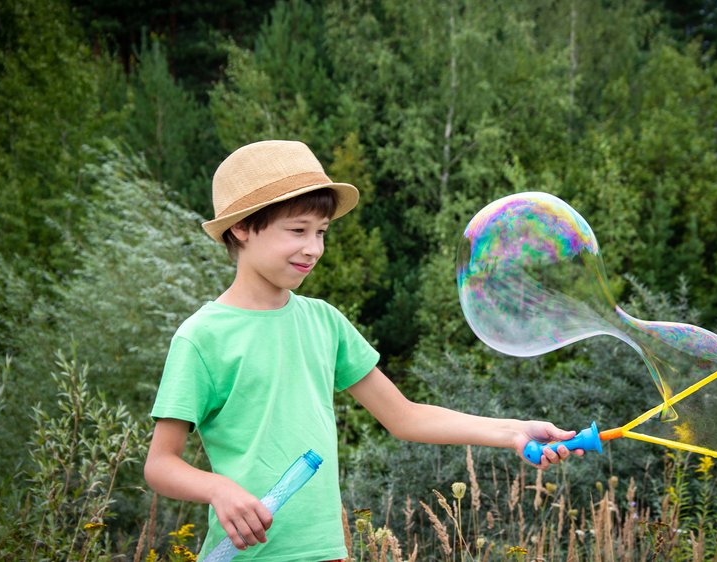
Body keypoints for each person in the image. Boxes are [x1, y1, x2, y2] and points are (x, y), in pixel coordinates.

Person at [144, 140, 581, 561]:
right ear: (241, 227)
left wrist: (513, 431)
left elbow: (405, 416)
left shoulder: (324, 322)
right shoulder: (202, 336)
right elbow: (161, 464)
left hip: (327, 553)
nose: (313, 248)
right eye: (297, 231)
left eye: (321, 232)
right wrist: (219, 489)